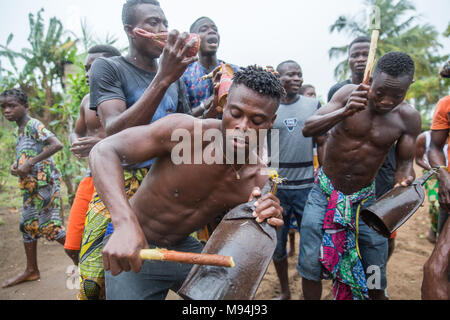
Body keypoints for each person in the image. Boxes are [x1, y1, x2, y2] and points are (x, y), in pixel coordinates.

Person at [88, 65, 285, 300]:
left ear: (270, 122)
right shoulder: (187, 133)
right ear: (223, 106)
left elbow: (244, 234)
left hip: (183, 251)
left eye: (257, 120)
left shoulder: (261, 177)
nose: (242, 127)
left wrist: (267, 216)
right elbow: (104, 150)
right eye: (235, 113)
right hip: (134, 245)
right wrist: (124, 224)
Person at [77, 0, 195, 300]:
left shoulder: (175, 78)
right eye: (153, 23)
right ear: (131, 30)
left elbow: (185, 135)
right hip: (118, 186)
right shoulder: (109, 67)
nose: (162, 30)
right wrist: (164, 77)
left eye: (165, 23)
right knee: (95, 281)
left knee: (185, 269)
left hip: (163, 188)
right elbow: (114, 133)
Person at [300, 52, 420, 300]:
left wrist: (404, 180)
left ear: (409, 87)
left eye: (397, 95)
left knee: (375, 264)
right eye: (380, 92)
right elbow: (308, 127)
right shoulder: (347, 94)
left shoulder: (408, 118)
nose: (387, 101)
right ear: (370, 80)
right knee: (311, 262)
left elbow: (405, 163)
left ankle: (376, 293)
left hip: (367, 201)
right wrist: (344, 111)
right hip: (324, 193)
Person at [328, 36, 398, 260]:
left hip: (383, 176)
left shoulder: (394, 97)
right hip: (346, 182)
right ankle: (346, 282)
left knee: (381, 233)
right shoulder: (339, 91)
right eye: (354, 55)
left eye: (365, 55)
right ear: (348, 59)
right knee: (344, 233)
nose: (360, 59)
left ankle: (377, 277)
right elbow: (328, 133)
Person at [64, 45, 122, 266]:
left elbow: (136, 135)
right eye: (86, 68)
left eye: (93, 68)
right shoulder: (87, 101)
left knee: (112, 247)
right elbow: (76, 131)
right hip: (91, 176)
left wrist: (101, 145)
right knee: (73, 246)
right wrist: (76, 142)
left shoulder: (127, 97)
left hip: (121, 178)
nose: (88, 74)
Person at [1, 89, 64, 288]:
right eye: (3, 107)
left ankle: (88, 264)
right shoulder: (18, 130)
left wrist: (31, 163)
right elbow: (27, 154)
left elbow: (56, 144)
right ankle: (31, 270)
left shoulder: (33, 125)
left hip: (44, 185)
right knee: (27, 226)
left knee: (50, 228)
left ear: (26, 106)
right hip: (30, 187)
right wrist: (16, 166)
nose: (6, 111)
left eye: (12, 106)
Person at [269, 60, 320, 300]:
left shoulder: (312, 105)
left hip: (307, 187)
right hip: (277, 188)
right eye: (291, 75)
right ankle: (286, 291)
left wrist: (325, 169)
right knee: (276, 246)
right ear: (278, 78)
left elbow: (323, 139)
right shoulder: (269, 106)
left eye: (300, 74)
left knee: (310, 244)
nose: (297, 78)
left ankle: (308, 292)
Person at [422, 61, 450, 300]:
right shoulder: (445, 105)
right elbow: (435, 148)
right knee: (437, 268)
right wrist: (443, 176)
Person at [182, 16, 239, 118]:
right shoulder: (184, 75)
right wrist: (211, 101)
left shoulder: (234, 71)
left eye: (215, 29)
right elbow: (184, 117)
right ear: (193, 39)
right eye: (203, 29)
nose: (212, 31)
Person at [415, 130, 448, 244]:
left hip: (448, 175)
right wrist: (434, 170)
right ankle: (435, 231)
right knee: (436, 203)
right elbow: (418, 160)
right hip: (432, 175)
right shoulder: (424, 138)